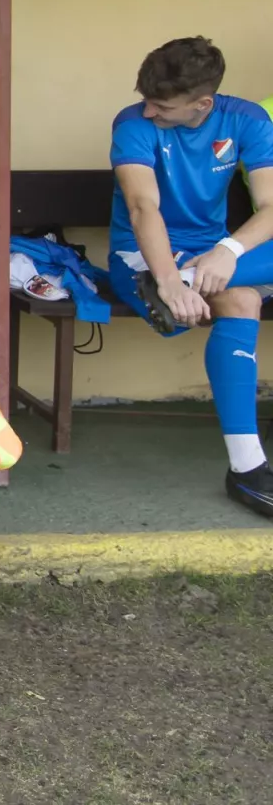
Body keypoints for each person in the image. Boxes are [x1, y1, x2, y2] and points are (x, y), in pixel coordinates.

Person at [109, 36, 273, 517]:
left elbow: (270, 205)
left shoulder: (247, 120)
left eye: (162, 106)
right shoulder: (132, 124)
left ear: (203, 103)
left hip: (213, 254)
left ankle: (245, 473)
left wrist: (227, 251)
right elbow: (143, 207)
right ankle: (249, 468)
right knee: (244, 301)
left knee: (238, 293)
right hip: (142, 255)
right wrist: (167, 279)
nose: (149, 111)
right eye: (146, 99)